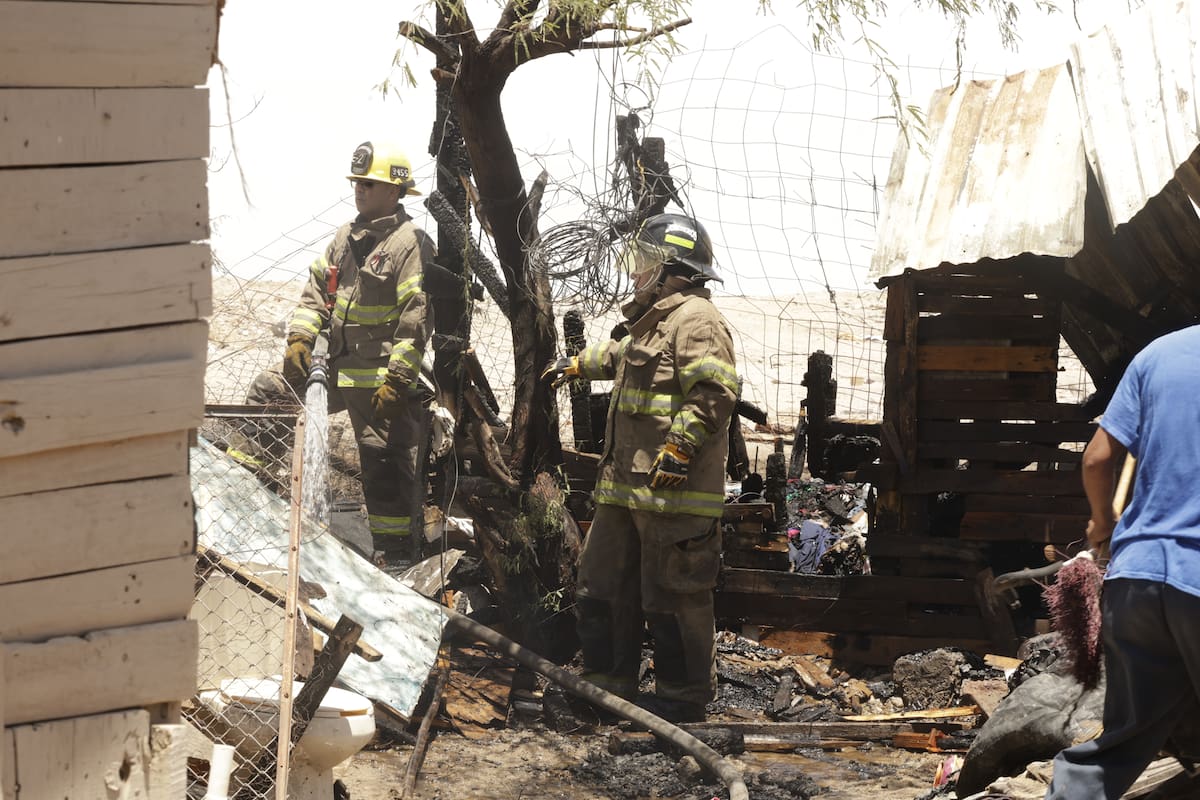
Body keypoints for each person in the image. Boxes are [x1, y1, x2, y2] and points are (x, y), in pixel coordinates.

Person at [543, 213, 739, 722]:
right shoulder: (657, 321)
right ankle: (607, 689)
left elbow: (714, 393)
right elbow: (621, 355)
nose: (634, 273)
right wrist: (575, 365)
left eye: (644, 262)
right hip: (624, 491)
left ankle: (681, 700)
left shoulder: (697, 318)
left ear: (672, 268)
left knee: (673, 599)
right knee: (602, 587)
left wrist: (679, 449)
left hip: (673, 494)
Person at [236, 140, 435, 566]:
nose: (358, 190)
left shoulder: (411, 243)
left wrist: (398, 380)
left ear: (395, 190)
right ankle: (257, 493)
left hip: (378, 381)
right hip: (333, 369)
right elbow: (314, 295)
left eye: (368, 183)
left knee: (382, 465)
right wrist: (300, 339)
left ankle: (394, 558)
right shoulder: (345, 237)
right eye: (356, 183)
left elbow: (415, 319)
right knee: (268, 395)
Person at [1044, 324, 1200, 799]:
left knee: (1122, 739)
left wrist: (1102, 522)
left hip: (1137, 576)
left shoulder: (1159, 352)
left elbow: (1094, 460)